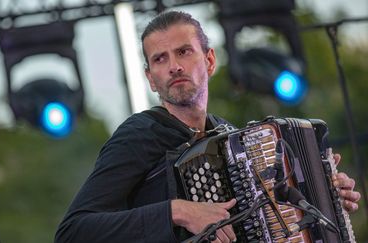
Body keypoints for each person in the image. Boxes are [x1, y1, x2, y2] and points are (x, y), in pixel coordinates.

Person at [55, 11, 361, 243]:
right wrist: (178, 211)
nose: (174, 65)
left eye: (184, 52)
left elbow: (271, 219)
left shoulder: (231, 139)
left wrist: (322, 193)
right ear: (151, 79)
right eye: (160, 59)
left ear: (210, 61)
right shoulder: (139, 134)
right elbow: (73, 231)